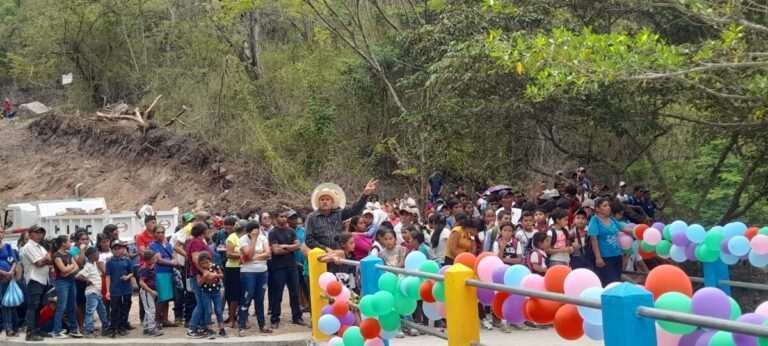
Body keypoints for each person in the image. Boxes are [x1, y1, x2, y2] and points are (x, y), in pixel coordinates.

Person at [305, 179, 377, 252]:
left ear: (332, 202)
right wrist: (325, 249)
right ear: (318, 202)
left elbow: (354, 209)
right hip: (322, 257)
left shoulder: (338, 213)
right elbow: (308, 240)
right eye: (322, 199)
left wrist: (365, 194)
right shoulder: (312, 217)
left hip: (339, 256)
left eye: (327, 199)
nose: (325, 202)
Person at [267, 208, 305, 329]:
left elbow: (298, 246)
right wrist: (290, 248)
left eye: (285, 216)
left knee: (294, 293)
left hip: (292, 266)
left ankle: (297, 317)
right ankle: (275, 318)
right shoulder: (272, 233)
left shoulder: (291, 231)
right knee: (277, 294)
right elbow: (275, 251)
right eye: (281, 216)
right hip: (278, 267)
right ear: (276, 218)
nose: (284, 218)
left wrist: (284, 246)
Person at [588, 198, 635, 286]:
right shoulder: (595, 220)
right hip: (605, 258)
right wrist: (598, 257)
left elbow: (624, 229)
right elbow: (593, 240)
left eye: (608, 205)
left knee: (617, 281)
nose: (608, 207)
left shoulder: (612, 220)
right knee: (610, 283)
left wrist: (640, 231)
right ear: (597, 209)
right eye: (605, 206)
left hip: (617, 255)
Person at [238, 221, 271, 337]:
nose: (257, 233)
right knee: (246, 298)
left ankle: (262, 325)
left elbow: (268, 253)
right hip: (248, 272)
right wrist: (253, 239)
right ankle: (241, 326)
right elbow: (248, 253)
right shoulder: (243, 240)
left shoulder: (263, 238)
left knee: (260, 299)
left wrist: (253, 257)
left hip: (263, 271)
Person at [186, 222, 215, 339]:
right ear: (204, 232)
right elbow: (196, 259)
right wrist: (205, 272)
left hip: (201, 275)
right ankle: (192, 328)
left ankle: (201, 326)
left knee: (203, 302)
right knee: (201, 303)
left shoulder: (197, 241)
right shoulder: (196, 243)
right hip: (198, 276)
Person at [51, 235, 83, 338]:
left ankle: (74, 329)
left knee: (72, 306)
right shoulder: (56, 256)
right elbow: (63, 270)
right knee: (61, 306)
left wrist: (68, 269)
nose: (70, 244)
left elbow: (76, 267)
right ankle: (57, 331)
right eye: (68, 242)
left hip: (71, 281)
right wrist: (69, 268)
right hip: (62, 283)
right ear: (63, 243)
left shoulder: (69, 254)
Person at [23, 225, 51, 342]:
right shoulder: (29, 246)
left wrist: (46, 259)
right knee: (33, 306)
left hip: (43, 279)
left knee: (39, 306)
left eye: (41, 232)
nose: (40, 234)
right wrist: (45, 259)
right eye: (37, 232)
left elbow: (49, 260)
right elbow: (39, 263)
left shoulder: (40, 247)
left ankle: (37, 329)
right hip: (34, 279)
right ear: (30, 234)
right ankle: (30, 332)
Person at [147, 225, 178, 327]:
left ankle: (165, 320)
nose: (160, 234)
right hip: (160, 273)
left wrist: (171, 261)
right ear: (154, 234)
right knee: (161, 298)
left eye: (162, 232)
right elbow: (159, 260)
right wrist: (173, 263)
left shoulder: (168, 244)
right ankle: (157, 320)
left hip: (169, 272)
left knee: (167, 297)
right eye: (158, 232)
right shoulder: (153, 245)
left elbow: (174, 256)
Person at [76, 247, 109, 338]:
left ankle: (106, 328)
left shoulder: (93, 264)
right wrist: (87, 280)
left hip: (97, 292)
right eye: (97, 254)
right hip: (92, 292)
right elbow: (78, 276)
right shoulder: (88, 266)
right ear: (92, 256)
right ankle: (89, 330)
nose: (98, 256)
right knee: (90, 311)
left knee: (102, 311)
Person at [105, 240, 133, 338]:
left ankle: (122, 326)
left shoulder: (127, 260)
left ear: (123, 249)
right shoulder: (109, 262)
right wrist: (108, 291)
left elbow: (131, 272)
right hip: (115, 289)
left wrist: (127, 277)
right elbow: (107, 276)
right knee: (115, 308)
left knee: (125, 307)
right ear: (112, 250)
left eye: (119, 248)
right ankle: (113, 327)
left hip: (126, 288)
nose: (117, 251)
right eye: (115, 249)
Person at [195, 252, 226, 338]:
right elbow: (199, 283)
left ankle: (222, 329)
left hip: (216, 292)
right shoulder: (200, 271)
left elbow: (222, 275)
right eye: (202, 263)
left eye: (206, 262)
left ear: (210, 260)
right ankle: (209, 329)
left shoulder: (215, 266)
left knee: (219, 311)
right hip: (206, 293)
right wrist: (204, 277)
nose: (205, 265)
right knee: (208, 311)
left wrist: (214, 275)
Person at [224, 220, 247, 328]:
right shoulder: (232, 237)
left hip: (245, 268)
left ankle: (244, 318)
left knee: (245, 295)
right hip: (233, 269)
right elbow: (229, 254)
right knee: (234, 296)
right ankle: (232, 319)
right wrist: (242, 254)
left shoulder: (247, 238)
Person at [138, 250, 163, 336]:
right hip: (146, 291)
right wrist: (151, 291)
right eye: (153, 258)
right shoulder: (145, 268)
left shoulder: (152, 266)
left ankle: (146, 327)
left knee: (148, 309)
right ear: (148, 260)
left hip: (150, 291)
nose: (155, 259)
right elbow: (141, 282)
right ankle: (151, 329)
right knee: (151, 310)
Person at [0, 226, 19, 337]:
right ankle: (8, 327)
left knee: (11, 301)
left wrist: (11, 272)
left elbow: (14, 260)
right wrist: (3, 273)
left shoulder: (7, 246)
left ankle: (15, 326)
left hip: (9, 277)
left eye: (2, 231)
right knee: (4, 303)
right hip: (1, 277)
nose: (1, 233)